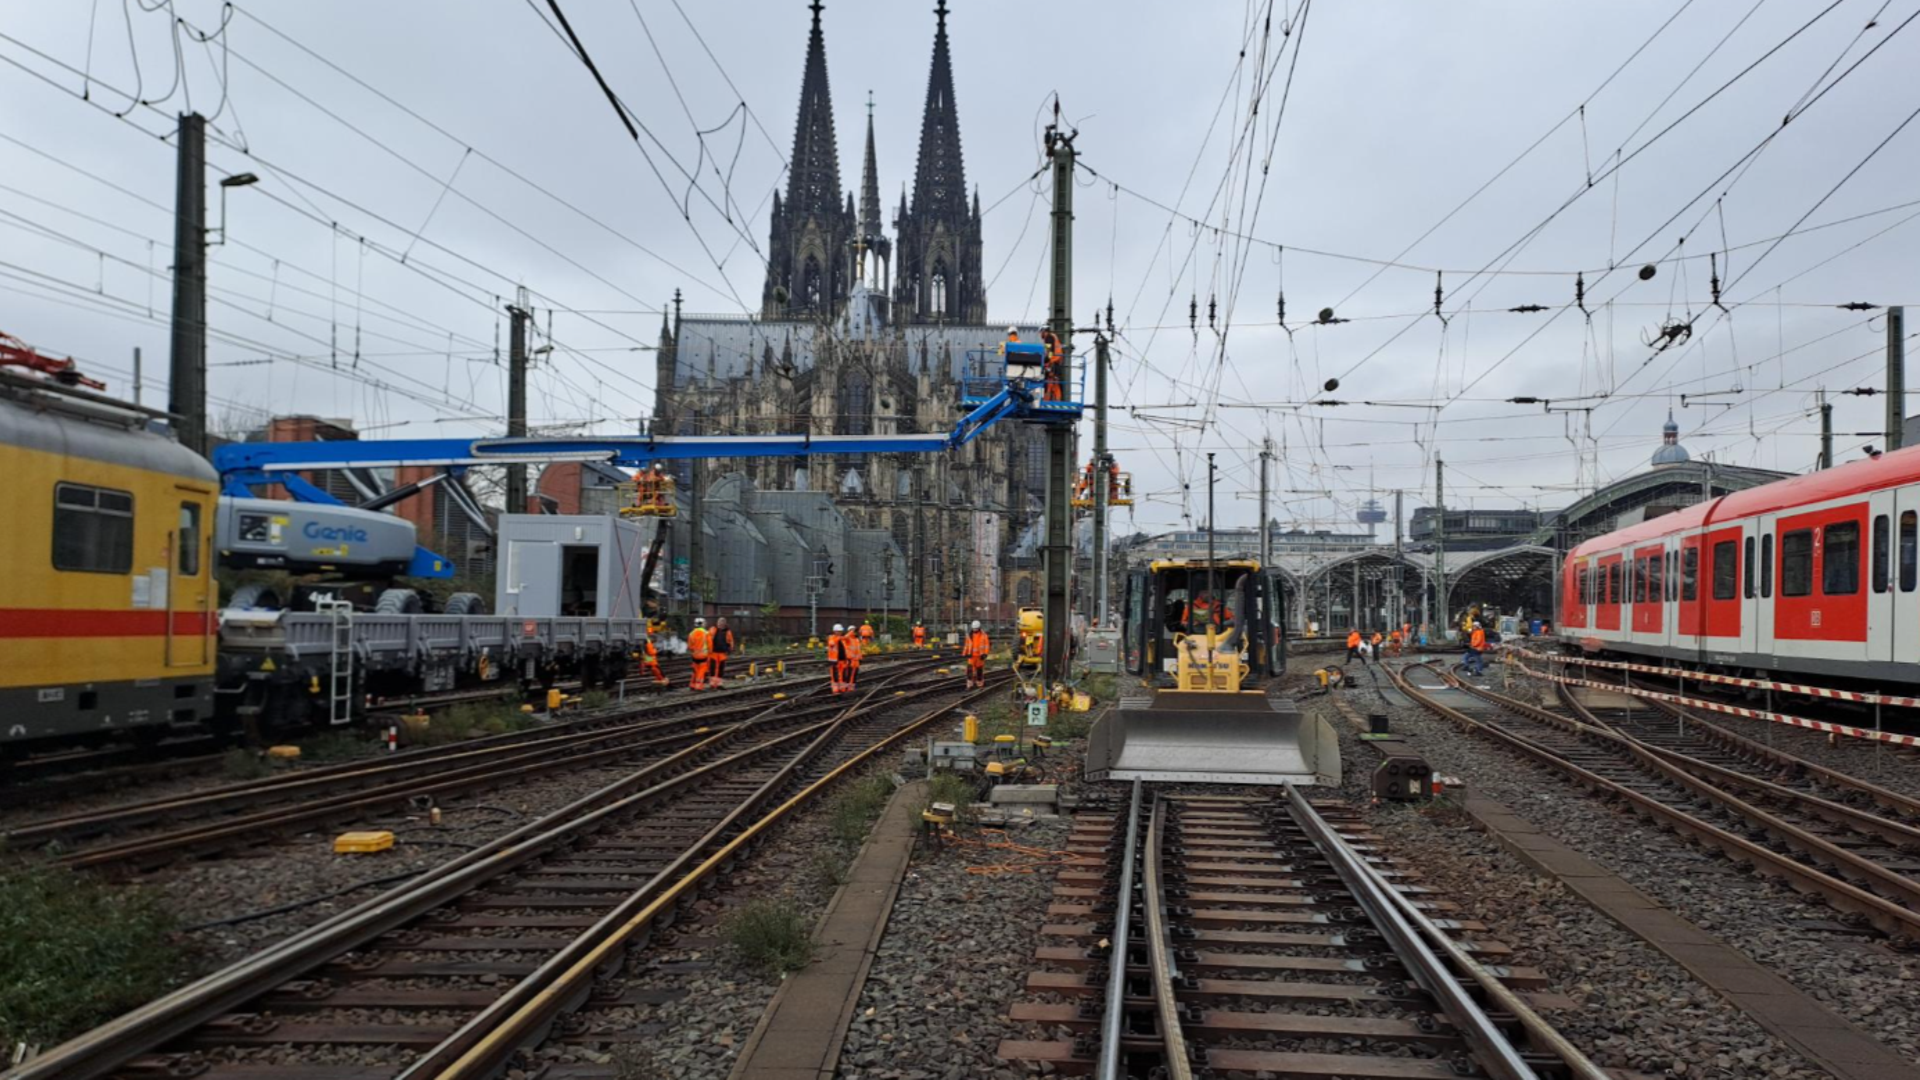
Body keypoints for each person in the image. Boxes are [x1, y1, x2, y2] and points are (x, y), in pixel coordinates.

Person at [963, 619, 990, 688]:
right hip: (971, 656)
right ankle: (970, 685)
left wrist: (985, 654)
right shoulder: (969, 635)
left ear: (979, 628)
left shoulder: (984, 636)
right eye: (974, 629)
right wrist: (965, 653)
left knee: (979, 671)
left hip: (980, 657)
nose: (975, 630)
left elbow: (987, 645)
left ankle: (979, 684)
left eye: (976, 629)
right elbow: (966, 645)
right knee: (969, 671)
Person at [687, 617, 713, 690]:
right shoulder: (706, 633)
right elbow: (710, 645)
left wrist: (694, 651)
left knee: (695, 671)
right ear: (702, 624)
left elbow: (690, 647)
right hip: (703, 656)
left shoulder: (691, 633)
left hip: (694, 656)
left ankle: (692, 685)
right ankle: (699, 686)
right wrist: (710, 653)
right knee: (701, 672)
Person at [710, 617, 736, 685]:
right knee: (713, 668)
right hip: (713, 652)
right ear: (717, 623)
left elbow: (731, 641)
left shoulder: (728, 631)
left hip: (723, 653)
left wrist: (730, 649)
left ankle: (718, 683)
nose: (720, 624)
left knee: (721, 669)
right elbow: (707, 639)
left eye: (722, 623)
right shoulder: (713, 629)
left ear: (724, 624)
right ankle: (713, 683)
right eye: (719, 623)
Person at [826, 624, 847, 694]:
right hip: (834, 661)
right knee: (835, 676)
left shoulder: (842, 639)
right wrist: (839, 638)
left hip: (842, 660)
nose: (840, 632)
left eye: (840, 631)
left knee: (842, 675)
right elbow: (832, 644)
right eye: (838, 631)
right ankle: (835, 689)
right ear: (834, 631)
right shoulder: (831, 638)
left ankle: (842, 688)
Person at [845, 625, 864, 689]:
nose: (854, 632)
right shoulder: (848, 639)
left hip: (856, 661)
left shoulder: (856, 640)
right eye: (852, 630)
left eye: (854, 630)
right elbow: (846, 636)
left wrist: (860, 658)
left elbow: (858, 650)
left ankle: (851, 687)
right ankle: (847, 687)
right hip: (850, 660)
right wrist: (852, 631)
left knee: (854, 675)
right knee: (849, 675)